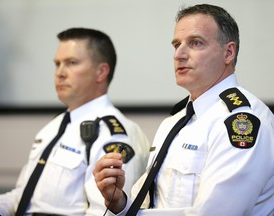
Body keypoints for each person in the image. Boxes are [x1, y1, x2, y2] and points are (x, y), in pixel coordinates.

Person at [93, 4, 274, 216]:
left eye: (195, 43)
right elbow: (152, 202)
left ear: (228, 52)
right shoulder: (174, 122)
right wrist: (120, 203)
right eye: (176, 44)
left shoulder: (243, 121)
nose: (178, 54)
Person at [0, 28, 150, 215]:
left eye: (72, 63)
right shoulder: (53, 127)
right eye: (57, 64)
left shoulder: (115, 134)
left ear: (101, 72)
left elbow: (106, 212)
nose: (60, 73)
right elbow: (21, 200)